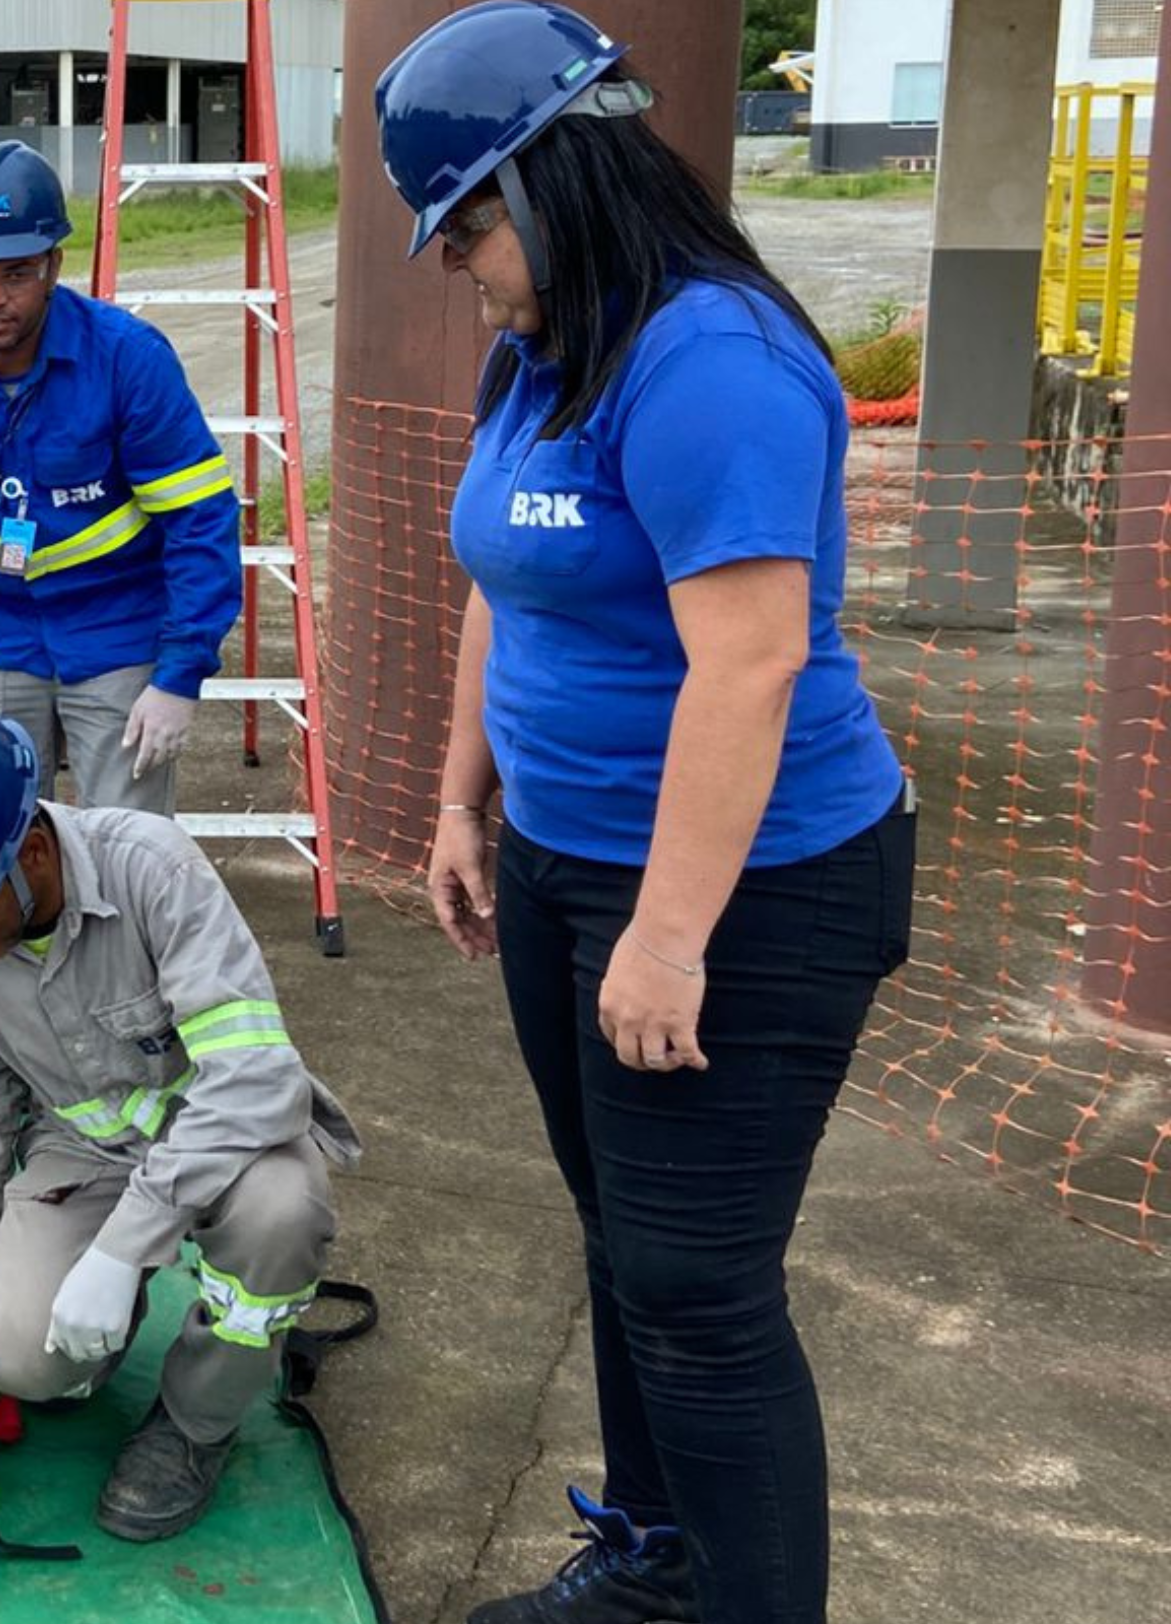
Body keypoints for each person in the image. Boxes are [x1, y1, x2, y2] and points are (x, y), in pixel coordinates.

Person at [374, 8, 915, 1624]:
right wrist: (464, 799)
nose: (459, 260)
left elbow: (747, 670)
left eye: (468, 221)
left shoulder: (711, 363)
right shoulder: (537, 350)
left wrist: (668, 936)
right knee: (624, 1240)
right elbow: (504, 586)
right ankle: (657, 1563)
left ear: (561, 174)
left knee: (697, 1288)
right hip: (563, 854)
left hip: (755, 885)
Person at [0, 703, 359, 1542]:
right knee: (16, 1355)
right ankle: (97, 1336)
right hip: (84, 1147)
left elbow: (255, 1081)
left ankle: (196, 1426)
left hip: (223, 1139)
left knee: (281, 1219)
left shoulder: (151, 869)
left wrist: (125, 1248)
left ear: (35, 854)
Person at [0, 141, 238, 816]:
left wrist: (180, 675)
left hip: (118, 631)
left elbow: (200, 521)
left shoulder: (127, 360)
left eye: (16, 274)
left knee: (126, 857)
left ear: (54, 265)